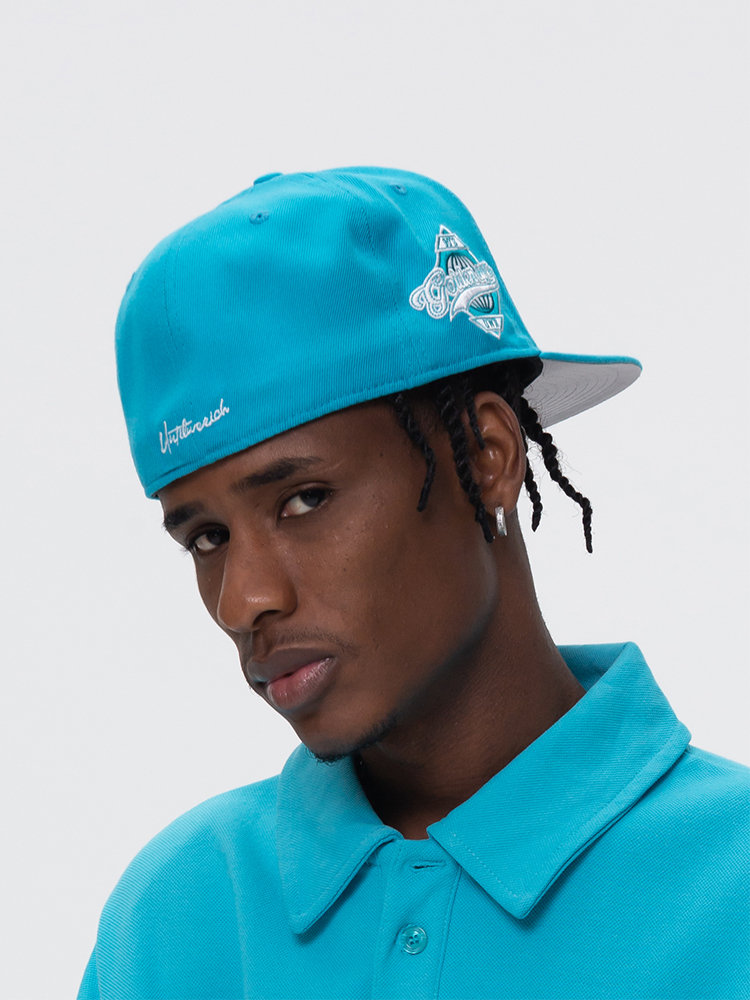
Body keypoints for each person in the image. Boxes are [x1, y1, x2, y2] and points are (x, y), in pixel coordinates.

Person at [78, 167, 748, 1000]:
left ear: (488, 457)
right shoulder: (174, 916)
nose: (243, 599)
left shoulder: (732, 885)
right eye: (206, 538)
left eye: (303, 500)